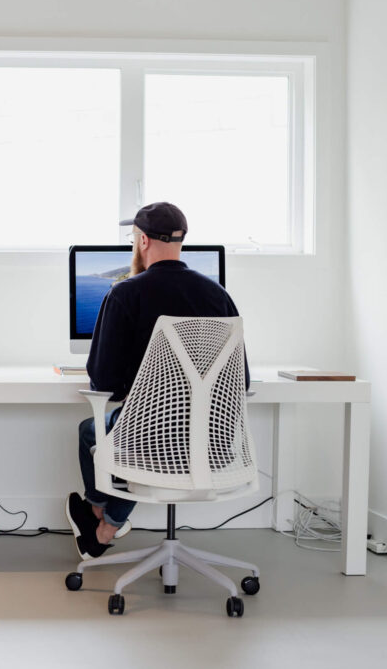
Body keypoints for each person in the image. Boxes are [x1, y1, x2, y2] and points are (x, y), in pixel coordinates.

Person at [65, 202, 249, 560]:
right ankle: (106, 523)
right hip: (216, 441)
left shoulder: (124, 293)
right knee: (125, 431)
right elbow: (238, 380)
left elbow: (105, 383)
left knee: (93, 430)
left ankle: (101, 516)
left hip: (150, 443)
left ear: (143, 241)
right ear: (181, 241)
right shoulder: (219, 296)